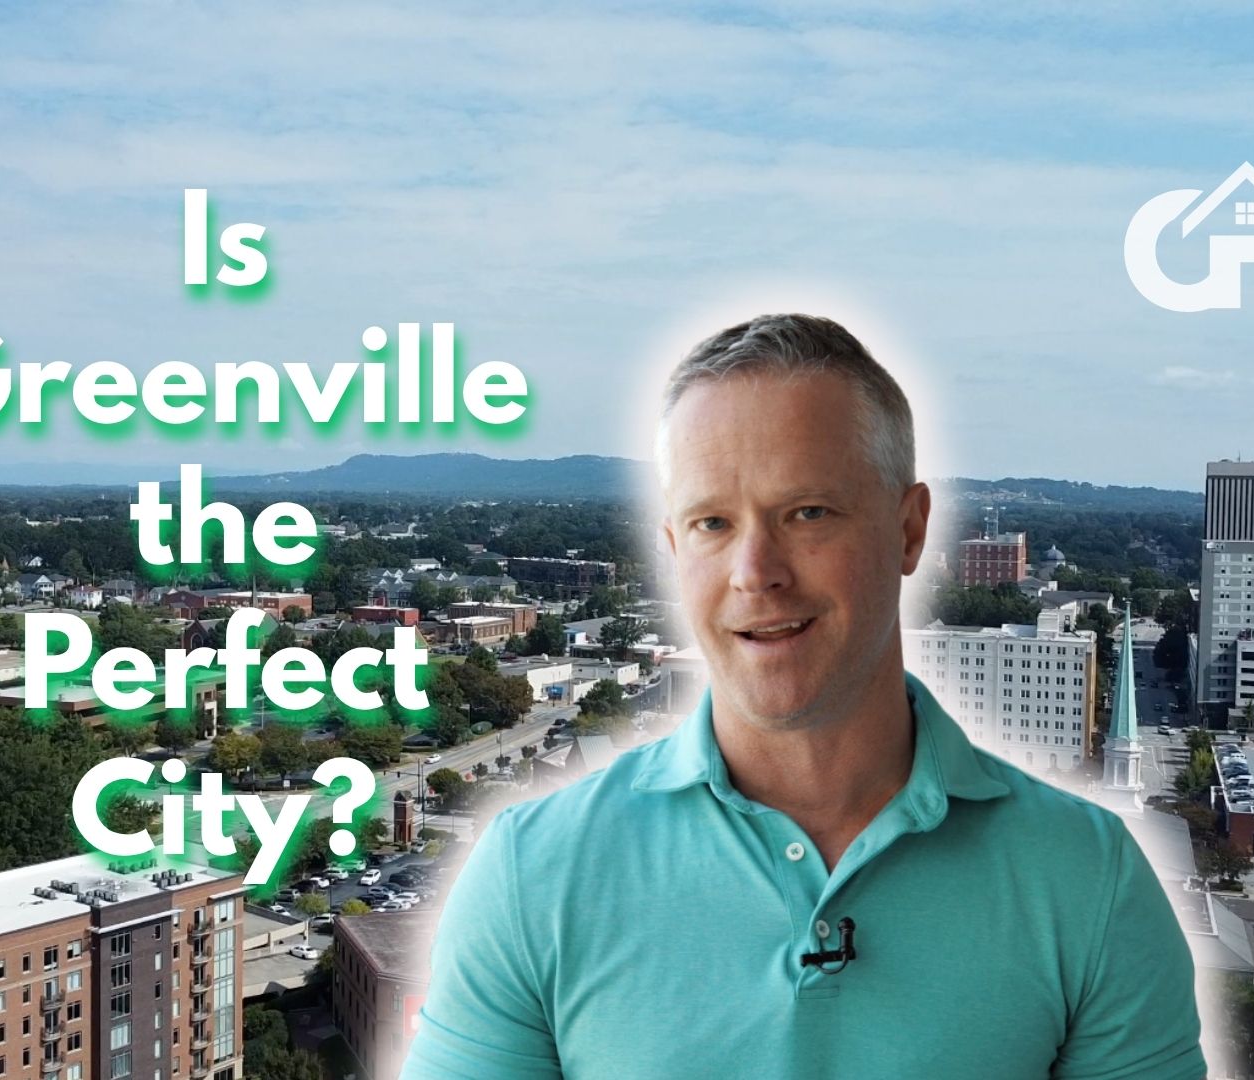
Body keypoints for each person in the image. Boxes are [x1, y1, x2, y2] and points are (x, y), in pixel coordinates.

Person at [400, 314, 1205, 1079]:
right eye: (713, 523)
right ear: (674, 550)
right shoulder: (532, 877)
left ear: (909, 529)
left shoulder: (1088, 882)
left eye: (808, 511)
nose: (757, 571)